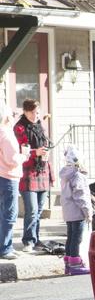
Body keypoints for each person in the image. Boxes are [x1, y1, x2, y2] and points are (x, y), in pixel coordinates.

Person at [14, 99, 54, 253]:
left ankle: (36, 239)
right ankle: (28, 241)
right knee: (31, 209)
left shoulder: (39, 126)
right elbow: (20, 150)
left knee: (38, 211)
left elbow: (44, 143)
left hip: (42, 170)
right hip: (27, 172)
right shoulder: (19, 127)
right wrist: (34, 152)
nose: (36, 115)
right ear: (25, 111)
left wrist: (45, 151)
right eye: (32, 112)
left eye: (37, 112)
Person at [0, 102, 30, 260]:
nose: (14, 117)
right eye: (12, 114)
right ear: (5, 117)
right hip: (8, 176)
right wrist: (24, 155)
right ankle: (5, 248)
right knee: (9, 214)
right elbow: (11, 159)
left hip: (1, 176)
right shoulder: (5, 133)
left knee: (2, 214)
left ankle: (4, 246)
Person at [59, 146, 93, 275]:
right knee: (77, 238)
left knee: (71, 237)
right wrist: (87, 212)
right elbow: (81, 195)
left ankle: (68, 261)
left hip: (68, 212)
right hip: (77, 212)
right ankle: (75, 263)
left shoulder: (66, 174)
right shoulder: (78, 176)